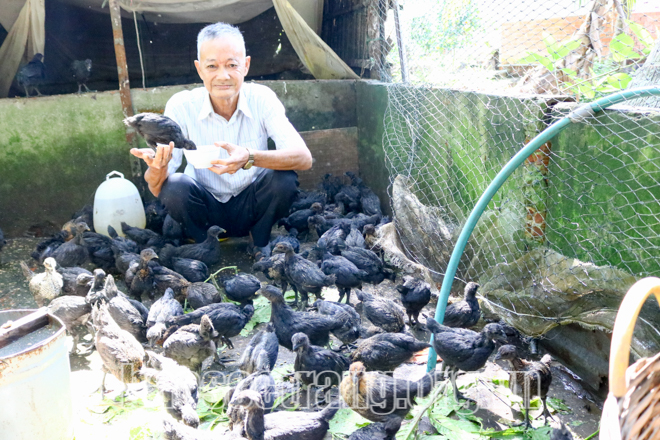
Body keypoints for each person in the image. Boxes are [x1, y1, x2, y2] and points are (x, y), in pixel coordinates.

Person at [130, 22, 312, 258]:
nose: (223, 75)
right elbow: (157, 187)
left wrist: (250, 157)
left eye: (232, 65)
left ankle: (259, 239)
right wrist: (157, 167)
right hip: (206, 208)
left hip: (252, 205)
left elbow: (304, 158)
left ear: (245, 65)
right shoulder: (182, 106)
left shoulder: (262, 99)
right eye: (212, 66)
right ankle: (204, 245)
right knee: (174, 186)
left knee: (284, 178)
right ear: (199, 69)